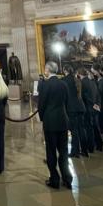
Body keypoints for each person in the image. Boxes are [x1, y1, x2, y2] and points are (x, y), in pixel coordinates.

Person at [38, 61, 72, 189]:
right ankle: (67, 178)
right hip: (63, 120)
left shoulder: (45, 85)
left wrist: (42, 117)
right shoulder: (63, 84)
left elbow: (41, 104)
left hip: (50, 121)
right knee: (63, 151)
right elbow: (67, 102)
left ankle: (54, 179)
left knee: (51, 151)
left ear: (47, 70)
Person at [63, 67, 88, 157]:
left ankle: (75, 151)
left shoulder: (64, 80)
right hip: (81, 107)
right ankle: (85, 151)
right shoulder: (77, 80)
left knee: (74, 130)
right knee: (82, 129)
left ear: (64, 71)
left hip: (71, 108)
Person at [79, 68, 102, 153]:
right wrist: (97, 105)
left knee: (89, 128)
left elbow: (84, 97)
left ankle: (91, 147)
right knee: (96, 127)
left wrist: (92, 104)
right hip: (95, 108)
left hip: (88, 108)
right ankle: (100, 145)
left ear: (80, 74)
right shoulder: (93, 82)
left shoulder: (82, 83)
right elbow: (97, 94)